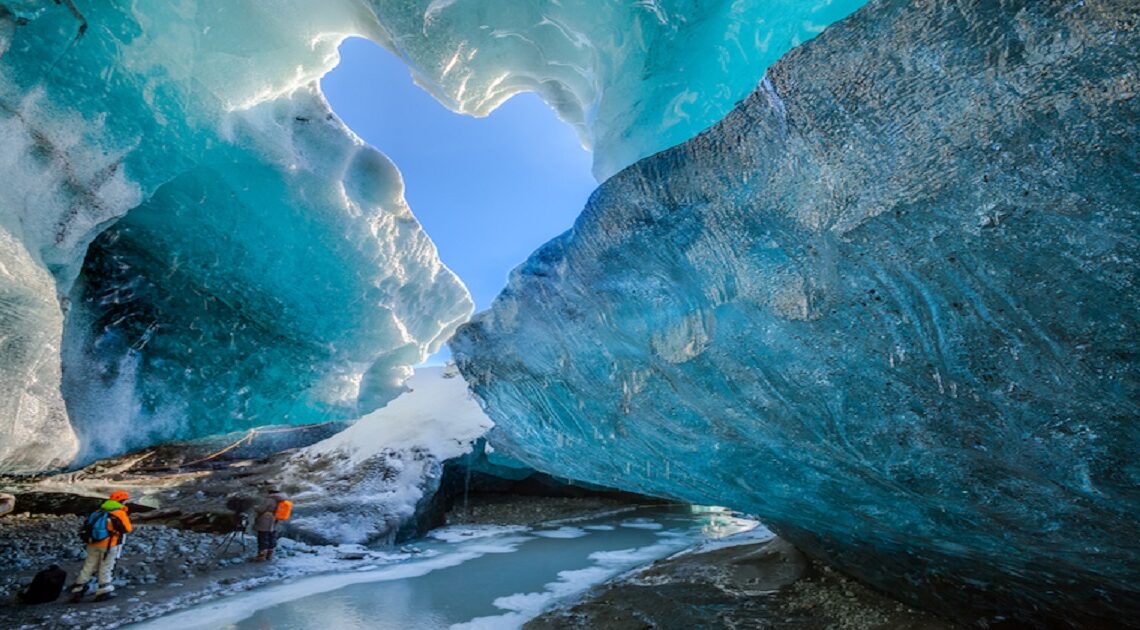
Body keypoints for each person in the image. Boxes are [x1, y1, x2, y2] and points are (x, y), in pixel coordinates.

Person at [69, 490, 132, 602]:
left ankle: (78, 589)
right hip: (109, 544)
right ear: (122, 501)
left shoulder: (98, 511)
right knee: (106, 567)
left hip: (93, 543)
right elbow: (127, 529)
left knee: (88, 566)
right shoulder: (119, 513)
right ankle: (104, 590)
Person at [252, 488, 288, 561]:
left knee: (263, 536)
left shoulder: (270, 499)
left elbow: (261, 509)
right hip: (275, 520)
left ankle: (261, 556)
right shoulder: (281, 500)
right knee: (271, 536)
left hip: (265, 519)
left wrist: (255, 507)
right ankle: (269, 554)